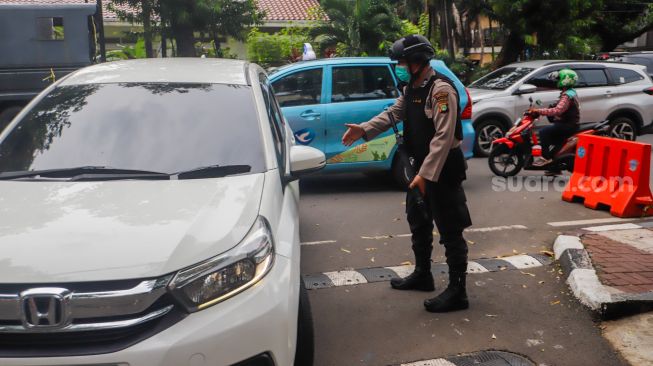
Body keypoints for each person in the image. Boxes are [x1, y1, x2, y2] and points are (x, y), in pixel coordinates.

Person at [342, 35, 472, 313]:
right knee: (419, 221)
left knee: (450, 230)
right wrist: (364, 129)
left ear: (416, 61)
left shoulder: (440, 91)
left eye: (401, 62)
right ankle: (423, 274)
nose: (398, 66)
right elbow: (394, 113)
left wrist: (425, 176)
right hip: (419, 168)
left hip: (442, 170)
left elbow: (444, 137)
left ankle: (458, 291)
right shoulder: (412, 87)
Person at [530, 68, 580, 169]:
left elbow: (558, 110)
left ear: (565, 80)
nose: (556, 81)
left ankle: (545, 158)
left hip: (567, 125)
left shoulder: (567, 95)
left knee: (543, 132)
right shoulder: (569, 92)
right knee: (555, 140)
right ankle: (554, 167)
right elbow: (558, 106)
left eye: (558, 79)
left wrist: (539, 111)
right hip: (568, 123)